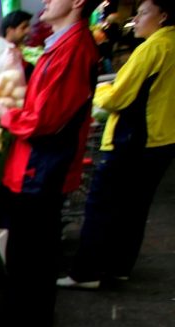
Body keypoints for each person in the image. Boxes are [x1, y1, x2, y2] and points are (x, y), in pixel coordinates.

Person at [0, 0, 100, 327]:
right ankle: (25, 315)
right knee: (30, 246)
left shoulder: (73, 49)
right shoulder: (63, 45)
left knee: (32, 249)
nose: (45, 1)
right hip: (36, 164)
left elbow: (47, 119)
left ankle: (27, 321)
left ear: (76, 3)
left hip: (41, 167)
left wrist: (6, 115)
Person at [59, 0, 175, 288]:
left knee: (102, 205)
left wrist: (98, 93)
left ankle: (85, 273)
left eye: (143, 12)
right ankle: (119, 268)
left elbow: (117, 98)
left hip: (133, 139)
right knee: (136, 208)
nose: (135, 18)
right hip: (162, 140)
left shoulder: (153, 48)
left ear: (163, 16)